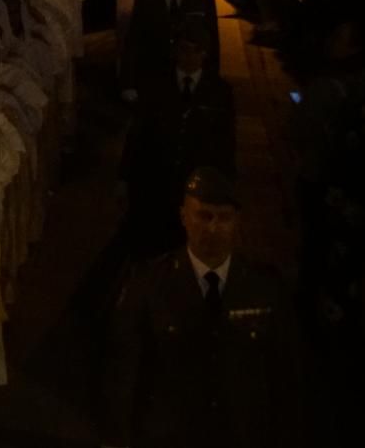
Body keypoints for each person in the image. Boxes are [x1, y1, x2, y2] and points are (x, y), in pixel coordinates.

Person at [102, 169, 303, 448]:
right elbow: (124, 374)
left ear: (237, 222)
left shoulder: (264, 287)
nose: (213, 228)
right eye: (204, 215)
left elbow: (284, 376)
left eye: (223, 218)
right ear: (184, 216)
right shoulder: (148, 285)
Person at [122, 19, 236, 258]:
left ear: (204, 54)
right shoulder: (156, 85)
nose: (187, 56)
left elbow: (225, 142)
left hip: (194, 178)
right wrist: (126, 176)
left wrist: (226, 184)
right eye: (182, 48)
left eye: (193, 49)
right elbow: (138, 132)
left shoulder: (218, 91)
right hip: (157, 180)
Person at [121, 0, 219, 98]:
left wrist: (212, 80)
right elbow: (133, 40)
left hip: (186, 74)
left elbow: (213, 42)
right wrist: (128, 84)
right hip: (153, 75)